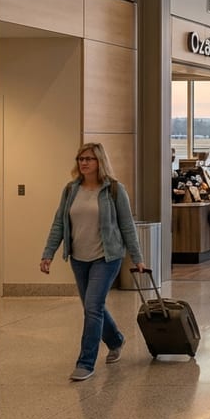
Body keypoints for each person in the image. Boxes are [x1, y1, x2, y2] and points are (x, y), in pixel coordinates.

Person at [40, 142, 147, 382]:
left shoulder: (114, 190)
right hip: (79, 258)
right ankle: (116, 340)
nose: (84, 163)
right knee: (93, 306)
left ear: (100, 162)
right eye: (81, 159)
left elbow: (127, 226)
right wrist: (48, 253)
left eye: (89, 159)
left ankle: (85, 362)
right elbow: (59, 223)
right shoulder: (70, 190)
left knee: (92, 307)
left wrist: (138, 258)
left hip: (107, 257)